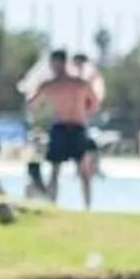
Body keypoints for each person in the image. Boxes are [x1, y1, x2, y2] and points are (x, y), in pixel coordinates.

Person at [30, 49, 104, 209]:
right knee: (55, 168)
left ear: (62, 63)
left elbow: (95, 104)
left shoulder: (79, 84)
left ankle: (87, 206)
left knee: (83, 170)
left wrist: (82, 110)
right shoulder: (51, 85)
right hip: (61, 126)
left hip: (76, 127)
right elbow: (33, 104)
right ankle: (53, 205)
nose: (54, 67)